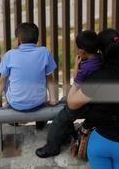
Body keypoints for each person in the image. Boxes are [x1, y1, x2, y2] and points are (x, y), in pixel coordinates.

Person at [67, 28, 119, 169]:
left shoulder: (100, 78)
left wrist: (77, 79)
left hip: (100, 141)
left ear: (103, 53)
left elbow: (72, 104)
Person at [35, 30, 102, 158]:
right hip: (95, 98)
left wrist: (76, 66)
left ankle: (52, 147)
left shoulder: (86, 67)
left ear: (82, 51)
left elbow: (76, 82)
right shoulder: (100, 59)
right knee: (64, 100)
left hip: (86, 101)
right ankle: (70, 133)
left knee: (60, 120)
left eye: (78, 49)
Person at [0, 22, 58, 113]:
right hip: (38, 103)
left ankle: (8, 113)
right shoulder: (44, 52)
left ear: (18, 40)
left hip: (15, 104)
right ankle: (41, 120)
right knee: (45, 75)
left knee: (5, 78)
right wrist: (53, 100)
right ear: (37, 39)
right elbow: (50, 78)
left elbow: (2, 80)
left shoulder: (10, 54)